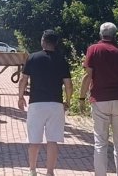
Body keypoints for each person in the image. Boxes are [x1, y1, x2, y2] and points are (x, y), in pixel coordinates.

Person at [78, 22, 118, 176]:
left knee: (100, 143)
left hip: (100, 100)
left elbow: (88, 76)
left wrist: (81, 98)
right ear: (115, 35)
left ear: (101, 34)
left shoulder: (93, 49)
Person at [18, 29, 73, 176]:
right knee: (52, 140)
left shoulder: (33, 58)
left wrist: (20, 96)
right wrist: (67, 101)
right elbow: (68, 84)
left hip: (36, 104)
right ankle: (50, 172)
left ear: (43, 41)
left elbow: (23, 80)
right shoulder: (62, 60)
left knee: (34, 140)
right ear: (56, 43)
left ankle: (32, 170)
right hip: (56, 104)